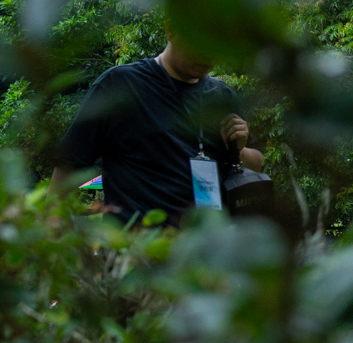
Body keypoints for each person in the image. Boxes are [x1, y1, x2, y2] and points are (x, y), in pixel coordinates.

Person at [51, 33, 248, 227]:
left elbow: (252, 167)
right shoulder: (120, 84)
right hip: (136, 249)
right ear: (171, 29)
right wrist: (53, 228)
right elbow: (68, 165)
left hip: (202, 249)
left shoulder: (222, 96)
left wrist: (237, 150)